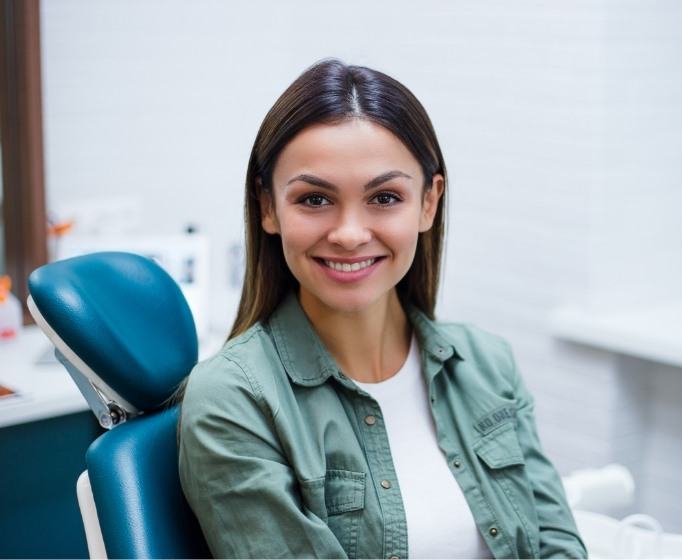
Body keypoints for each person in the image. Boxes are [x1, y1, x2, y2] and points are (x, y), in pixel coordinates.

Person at [177, 58, 587, 559]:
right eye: (313, 199)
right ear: (268, 207)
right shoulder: (233, 400)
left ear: (428, 203)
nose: (350, 234)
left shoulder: (487, 363)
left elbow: (558, 546)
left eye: (385, 196)